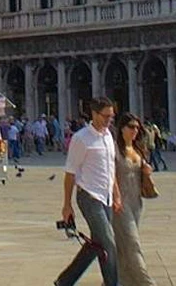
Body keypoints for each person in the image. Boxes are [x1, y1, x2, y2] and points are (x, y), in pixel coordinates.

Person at [56, 97, 120, 286]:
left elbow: (111, 168)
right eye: (106, 116)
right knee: (109, 242)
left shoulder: (109, 135)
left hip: (106, 196)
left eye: (112, 116)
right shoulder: (81, 138)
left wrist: (116, 194)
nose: (109, 120)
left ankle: (65, 280)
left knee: (96, 243)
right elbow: (70, 173)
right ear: (94, 114)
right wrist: (67, 205)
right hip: (89, 196)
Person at [112, 113, 156, 285]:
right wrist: (116, 197)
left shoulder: (138, 149)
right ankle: (146, 282)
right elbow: (111, 176)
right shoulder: (114, 149)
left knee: (124, 246)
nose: (135, 130)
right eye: (131, 127)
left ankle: (122, 281)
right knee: (132, 243)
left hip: (136, 202)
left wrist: (147, 171)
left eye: (137, 127)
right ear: (121, 128)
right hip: (120, 203)